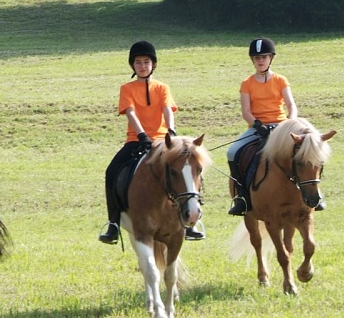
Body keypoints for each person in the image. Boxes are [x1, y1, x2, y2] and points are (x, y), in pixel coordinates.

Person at [99, 41, 201, 243]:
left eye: (146, 62)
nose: (142, 65)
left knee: (189, 168)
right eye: (138, 62)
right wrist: (142, 136)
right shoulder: (126, 88)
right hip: (136, 140)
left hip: (164, 141)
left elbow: (167, 110)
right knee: (111, 171)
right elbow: (130, 113)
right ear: (132, 66)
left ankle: (192, 222)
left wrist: (170, 131)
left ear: (153, 64)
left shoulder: (162, 87)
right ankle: (113, 224)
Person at [226, 37, 297, 215]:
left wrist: (290, 123)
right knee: (232, 152)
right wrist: (258, 125)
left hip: (281, 127)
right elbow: (246, 111)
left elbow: (291, 106)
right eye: (257, 58)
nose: (260, 61)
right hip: (257, 129)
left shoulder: (281, 80)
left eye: (263, 57)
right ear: (252, 60)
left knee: (306, 150)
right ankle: (241, 197)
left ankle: (313, 194)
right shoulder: (246, 83)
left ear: (270, 58)